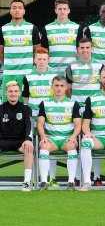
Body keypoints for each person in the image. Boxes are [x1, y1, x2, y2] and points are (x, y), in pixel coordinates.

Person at [65, 38, 103, 185]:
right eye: (82, 48)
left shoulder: (99, 66)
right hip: (76, 110)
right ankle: (78, 177)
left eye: (87, 47)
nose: (85, 50)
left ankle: (97, 176)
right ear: (77, 50)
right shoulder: (71, 67)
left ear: (91, 48)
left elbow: (101, 88)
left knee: (93, 139)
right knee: (77, 142)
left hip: (93, 110)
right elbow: (68, 89)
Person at [22, 47, 60, 188]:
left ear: (48, 59)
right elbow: (25, 98)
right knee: (32, 146)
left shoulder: (54, 75)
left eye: (44, 59)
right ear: (34, 60)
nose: (42, 61)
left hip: (49, 117)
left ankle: (53, 178)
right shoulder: (27, 76)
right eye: (39, 59)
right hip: (32, 118)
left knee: (49, 144)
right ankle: (33, 178)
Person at [36, 76, 81, 190]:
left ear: (66, 88)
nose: (59, 88)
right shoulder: (44, 104)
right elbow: (40, 124)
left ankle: (71, 182)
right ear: (52, 87)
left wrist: (73, 136)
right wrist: (43, 136)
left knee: (72, 146)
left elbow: (78, 124)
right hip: (52, 139)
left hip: (67, 138)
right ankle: (44, 182)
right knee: (43, 146)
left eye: (61, 86)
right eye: (56, 85)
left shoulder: (73, 104)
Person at [0, 0, 41, 100]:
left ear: (24, 11)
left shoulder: (32, 28)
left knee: (26, 104)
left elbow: (37, 50)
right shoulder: (3, 29)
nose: (17, 10)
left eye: (20, 8)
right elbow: (1, 51)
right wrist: (6, 64)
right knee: (7, 103)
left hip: (27, 72)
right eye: (14, 8)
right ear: (10, 11)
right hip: (9, 72)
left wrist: (32, 66)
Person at [0, 81, 33, 191]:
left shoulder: (26, 108)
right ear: (6, 93)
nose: (13, 94)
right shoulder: (1, 108)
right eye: (10, 91)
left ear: (19, 93)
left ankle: (27, 182)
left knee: (29, 148)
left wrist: (28, 139)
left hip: (20, 142)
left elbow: (29, 125)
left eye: (15, 91)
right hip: (3, 141)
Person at [40, 0, 80, 74]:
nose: (62, 11)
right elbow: (44, 51)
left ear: (69, 10)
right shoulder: (47, 28)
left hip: (71, 69)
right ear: (55, 10)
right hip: (52, 69)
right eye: (60, 9)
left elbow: (79, 50)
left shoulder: (77, 27)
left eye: (65, 9)